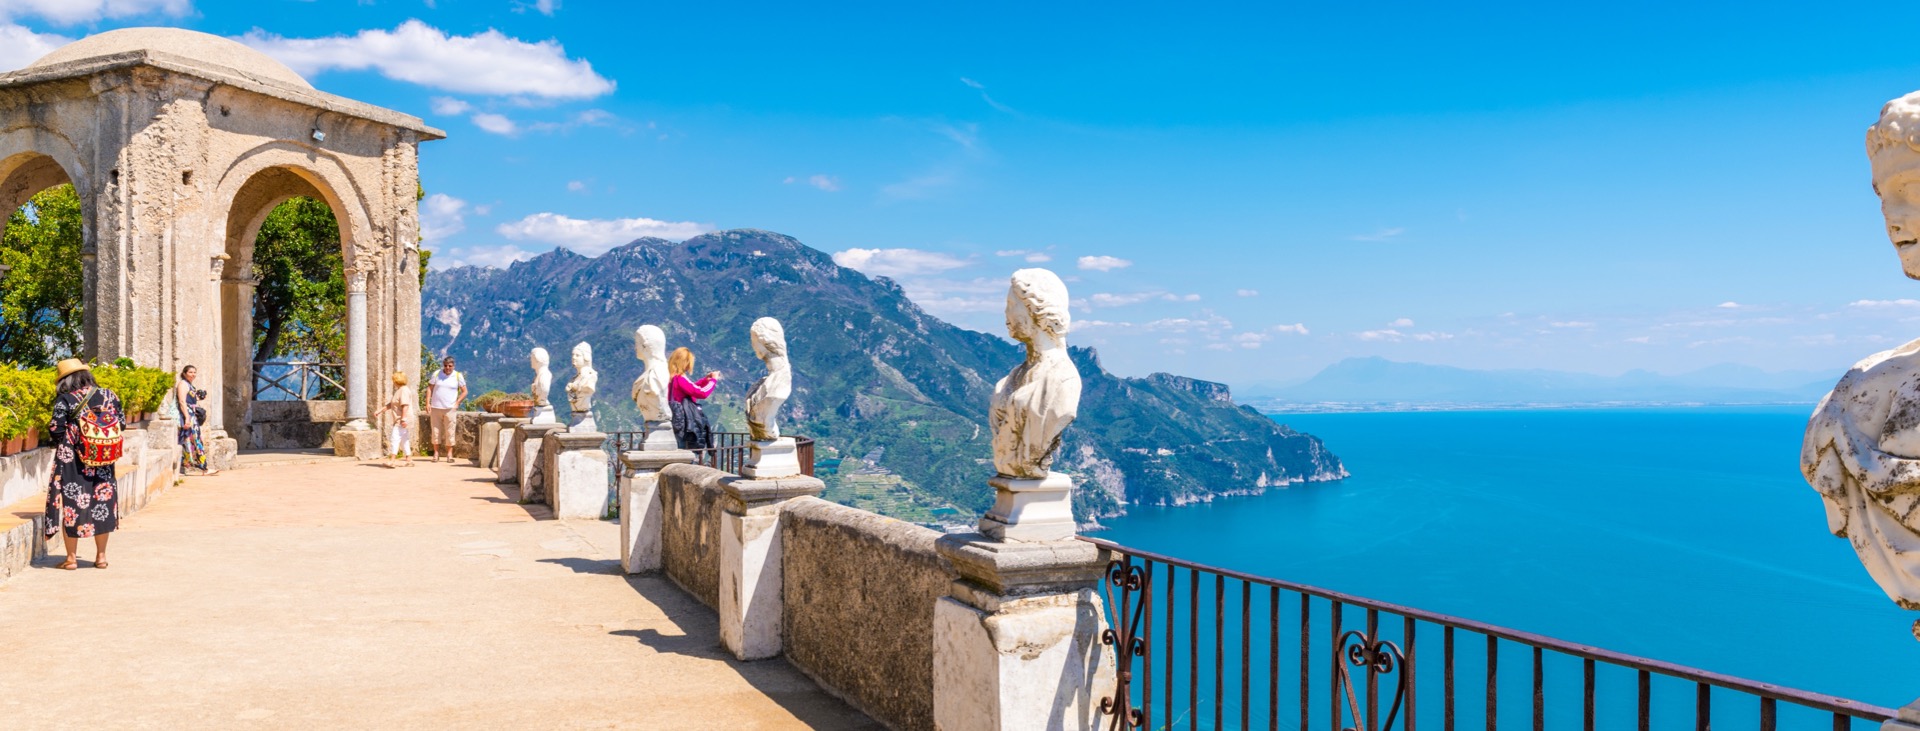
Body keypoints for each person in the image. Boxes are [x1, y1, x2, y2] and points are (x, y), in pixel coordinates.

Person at [42, 359, 123, 570]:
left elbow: (55, 428)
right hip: (103, 456)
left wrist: (72, 437)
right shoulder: (110, 395)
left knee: (73, 504)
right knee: (103, 504)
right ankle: (101, 557)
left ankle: (71, 559)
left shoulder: (66, 399)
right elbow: (121, 423)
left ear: (65, 381)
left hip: (73, 459)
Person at [667, 347, 719, 450]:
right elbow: (702, 393)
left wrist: (704, 381)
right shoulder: (680, 378)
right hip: (684, 422)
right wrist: (713, 380)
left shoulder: (671, 378)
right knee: (684, 451)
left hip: (674, 419)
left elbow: (689, 389)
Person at [173, 364, 217, 476]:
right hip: (187, 415)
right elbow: (182, 402)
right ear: (184, 373)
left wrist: (199, 396)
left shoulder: (189, 385)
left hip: (191, 414)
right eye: (190, 372)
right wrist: (187, 417)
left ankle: (187, 466)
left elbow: (191, 399)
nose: (193, 374)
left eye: (194, 372)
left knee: (191, 440)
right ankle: (204, 468)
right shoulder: (183, 384)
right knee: (195, 440)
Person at [426, 356, 467, 463]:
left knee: (450, 431)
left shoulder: (458, 376)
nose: (447, 368)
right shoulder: (436, 374)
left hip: (450, 408)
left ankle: (450, 455)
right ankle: (436, 454)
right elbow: (430, 388)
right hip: (435, 407)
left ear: (453, 366)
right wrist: (427, 403)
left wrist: (457, 403)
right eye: (445, 365)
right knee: (435, 431)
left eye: (450, 366)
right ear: (443, 365)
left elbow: (465, 391)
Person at [375, 370, 415, 467]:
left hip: (401, 419)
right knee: (404, 439)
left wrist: (403, 419)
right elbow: (392, 404)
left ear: (396, 380)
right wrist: (381, 410)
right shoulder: (400, 390)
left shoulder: (403, 391)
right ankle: (409, 459)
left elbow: (405, 405)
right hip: (401, 419)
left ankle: (392, 460)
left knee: (395, 438)